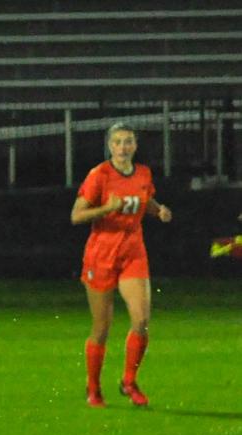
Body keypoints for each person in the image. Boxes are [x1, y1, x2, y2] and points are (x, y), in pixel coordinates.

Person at [70, 122, 173, 408]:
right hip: (101, 254)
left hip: (132, 252)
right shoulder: (99, 175)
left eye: (128, 141)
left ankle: (129, 381)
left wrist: (158, 210)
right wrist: (106, 208)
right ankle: (93, 387)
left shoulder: (142, 173)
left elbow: (144, 199)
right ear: (110, 146)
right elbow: (76, 215)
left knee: (141, 320)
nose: (123, 147)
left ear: (135, 146)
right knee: (102, 327)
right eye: (118, 142)